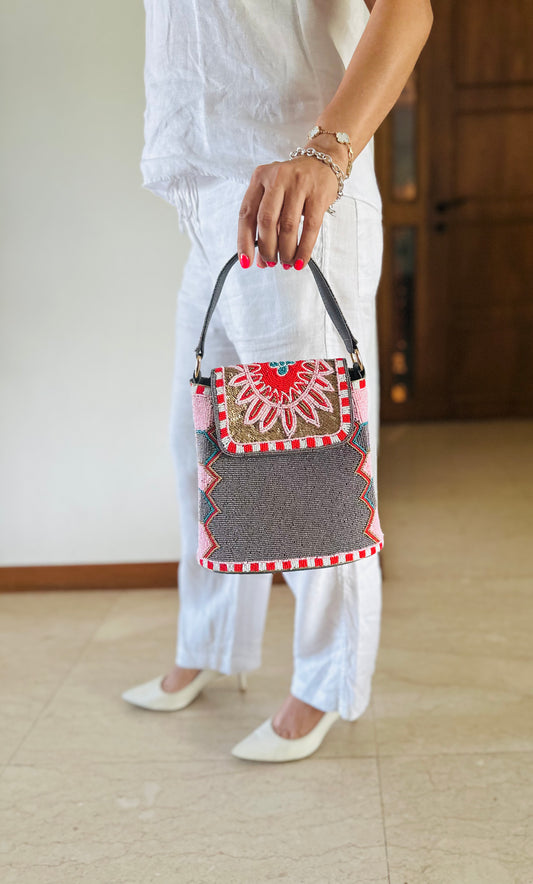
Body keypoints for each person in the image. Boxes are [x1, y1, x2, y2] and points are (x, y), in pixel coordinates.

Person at [122, 0, 433, 761]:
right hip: (206, 201)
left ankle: (326, 685)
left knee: (312, 462)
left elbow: (407, 11)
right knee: (202, 454)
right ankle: (211, 644)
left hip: (297, 193)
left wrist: (326, 152)